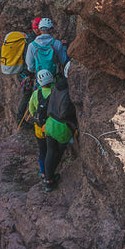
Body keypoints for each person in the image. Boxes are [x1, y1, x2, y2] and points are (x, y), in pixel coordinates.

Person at [42, 61, 77, 191]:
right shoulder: (69, 91)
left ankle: (48, 180)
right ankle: (50, 179)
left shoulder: (56, 86)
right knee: (58, 153)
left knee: (50, 152)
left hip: (50, 123)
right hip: (62, 128)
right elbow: (65, 112)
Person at [27, 69, 56, 179]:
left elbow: (31, 110)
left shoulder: (35, 94)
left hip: (39, 128)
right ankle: (51, 172)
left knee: (42, 151)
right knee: (52, 150)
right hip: (51, 128)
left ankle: (43, 172)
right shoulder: (54, 92)